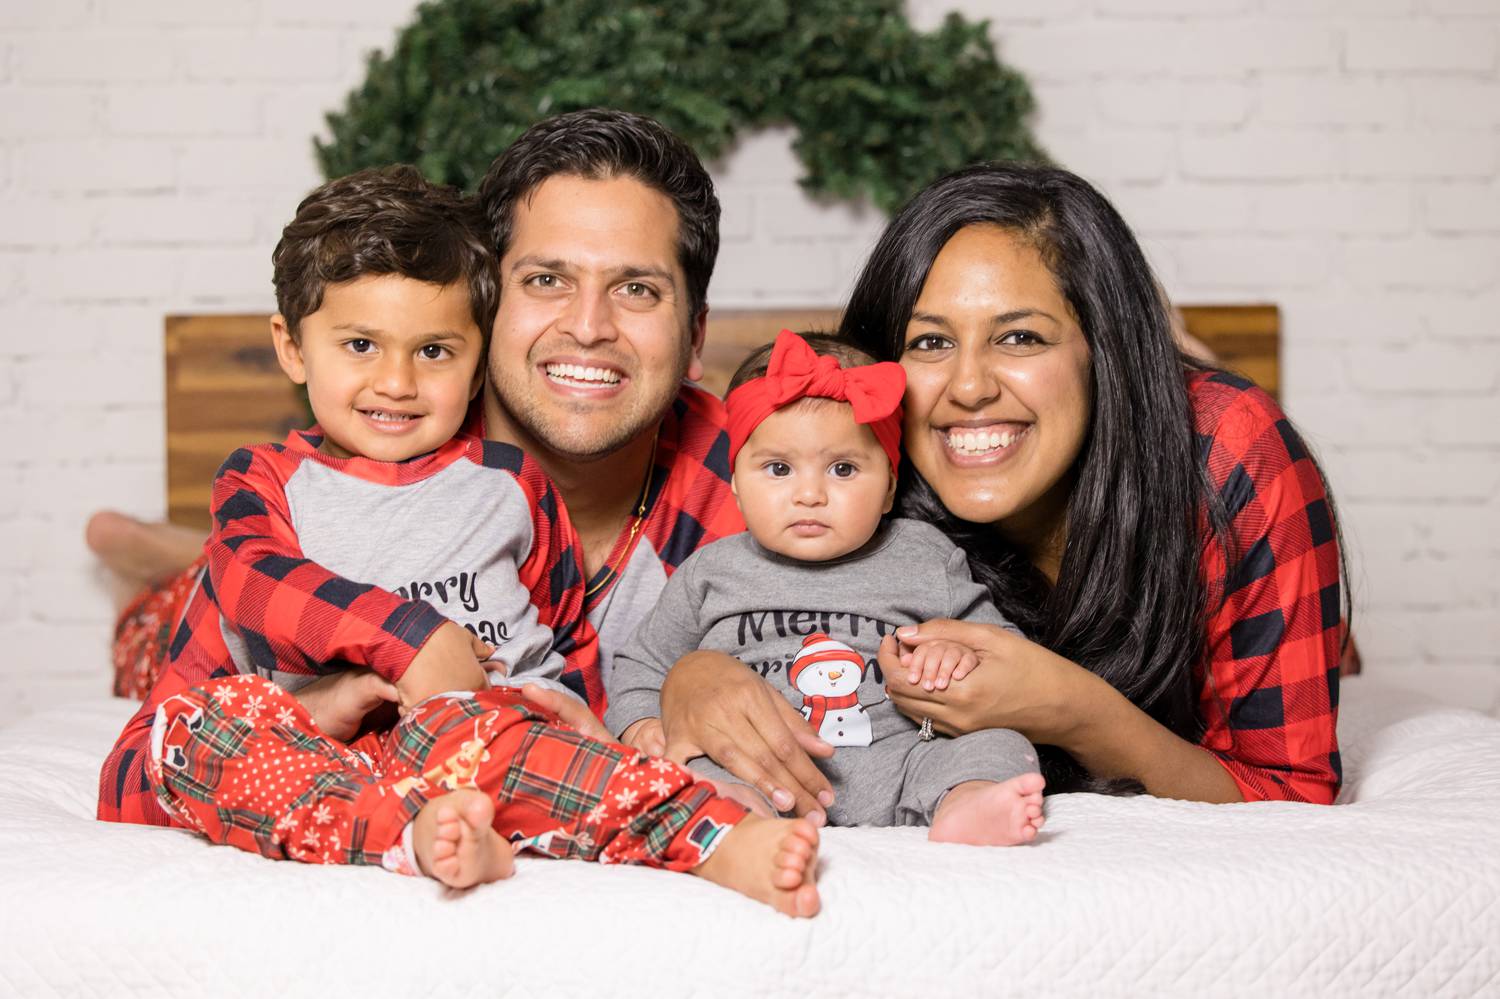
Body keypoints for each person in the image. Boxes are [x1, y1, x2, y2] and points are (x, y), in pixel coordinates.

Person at [94, 109, 846, 821]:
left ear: (693, 337)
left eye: (637, 288)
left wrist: (697, 674)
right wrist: (311, 707)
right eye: (546, 279)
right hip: (269, 590)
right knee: (157, 625)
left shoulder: (765, 468)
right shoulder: (354, 477)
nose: (588, 327)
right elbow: (141, 769)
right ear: (485, 312)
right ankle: (165, 565)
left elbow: (874, 646)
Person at [656, 163, 1346, 806]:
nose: (969, 386)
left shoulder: (1228, 449)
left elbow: (1290, 789)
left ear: (1103, 349)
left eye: (1019, 338)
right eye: (930, 342)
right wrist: (689, 678)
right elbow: (725, 600)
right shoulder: (838, 473)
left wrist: (1073, 709)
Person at [607, 331, 1046, 844]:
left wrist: (955, 653)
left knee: (999, 742)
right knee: (699, 765)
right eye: (778, 469)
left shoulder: (922, 554)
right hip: (760, 771)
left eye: (843, 469)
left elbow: (1009, 657)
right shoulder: (711, 571)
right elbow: (641, 666)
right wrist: (643, 727)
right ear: (736, 486)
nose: (810, 494)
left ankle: (965, 803)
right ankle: (737, 818)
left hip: (903, 761)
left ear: (887, 485)